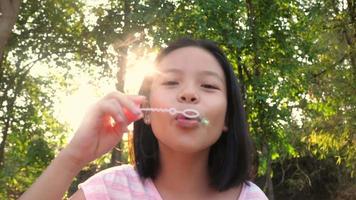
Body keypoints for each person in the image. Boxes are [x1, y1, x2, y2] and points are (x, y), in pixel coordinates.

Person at [20, 38, 268, 200]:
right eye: (171, 82)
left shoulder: (251, 197)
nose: (189, 94)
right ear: (146, 112)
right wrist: (74, 156)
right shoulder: (108, 191)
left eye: (208, 85)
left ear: (227, 119)